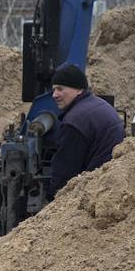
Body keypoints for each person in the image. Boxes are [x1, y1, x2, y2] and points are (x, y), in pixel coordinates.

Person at [47, 63, 125, 199]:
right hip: (114, 180)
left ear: (78, 90)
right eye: (53, 90)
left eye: (60, 89)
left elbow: (64, 174)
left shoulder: (75, 121)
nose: (55, 95)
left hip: (96, 191)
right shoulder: (99, 104)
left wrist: (50, 201)